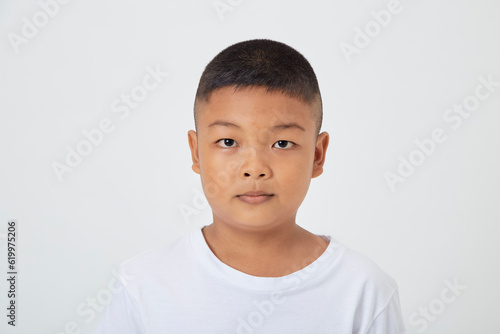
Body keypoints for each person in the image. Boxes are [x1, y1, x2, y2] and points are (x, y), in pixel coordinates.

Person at [94, 39, 406, 333]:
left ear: (317, 154)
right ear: (196, 151)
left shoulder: (364, 291)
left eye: (282, 143)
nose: (254, 168)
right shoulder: (142, 286)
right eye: (228, 141)